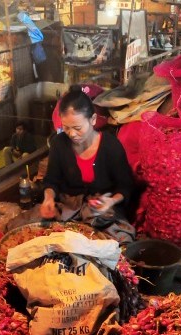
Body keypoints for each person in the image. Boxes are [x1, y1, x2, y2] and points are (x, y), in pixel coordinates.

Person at [37, 86, 135, 242]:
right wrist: (48, 198)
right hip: (69, 206)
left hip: (102, 210)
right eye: (66, 128)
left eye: (77, 128)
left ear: (93, 120)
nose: (72, 134)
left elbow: (125, 186)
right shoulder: (59, 143)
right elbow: (51, 180)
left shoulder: (110, 146)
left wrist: (111, 201)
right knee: (36, 230)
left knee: (118, 241)